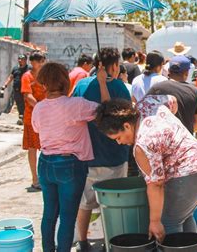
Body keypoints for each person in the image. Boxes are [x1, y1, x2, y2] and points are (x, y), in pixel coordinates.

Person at [95, 95, 197, 242]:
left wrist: (154, 221)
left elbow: (156, 184)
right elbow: (172, 100)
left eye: (118, 137)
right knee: (183, 216)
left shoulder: (142, 145)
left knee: (168, 222)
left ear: (127, 126)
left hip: (187, 174)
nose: (119, 143)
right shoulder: (149, 103)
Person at [32, 62, 110, 252]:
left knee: (49, 213)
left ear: (44, 84)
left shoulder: (39, 108)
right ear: (64, 82)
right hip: (70, 164)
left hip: (45, 163)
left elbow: (36, 129)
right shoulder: (76, 105)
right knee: (67, 216)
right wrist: (101, 83)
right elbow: (106, 110)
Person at [72, 47, 132, 252]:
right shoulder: (120, 87)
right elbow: (125, 117)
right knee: (115, 203)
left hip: (87, 155)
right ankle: (113, 241)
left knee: (85, 202)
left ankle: (82, 241)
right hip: (116, 155)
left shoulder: (81, 85)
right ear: (114, 65)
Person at [147, 55, 197, 134]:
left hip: (162, 140)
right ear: (186, 72)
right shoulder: (195, 91)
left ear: (169, 71)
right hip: (185, 140)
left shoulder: (156, 88)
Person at [20, 51, 46, 191]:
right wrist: (41, 108)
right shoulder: (27, 76)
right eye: (39, 61)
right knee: (32, 148)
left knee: (47, 148)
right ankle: (35, 179)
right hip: (31, 118)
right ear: (32, 62)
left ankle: (44, 177)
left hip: (46, 118)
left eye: (43, 60)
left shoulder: (45, 77)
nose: (41, 63)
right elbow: (28, 96)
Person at [1, 54, 30, 125]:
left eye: (22, 59)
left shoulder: (29, 68)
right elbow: (10, 78)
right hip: (17, 90)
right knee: (19, 104)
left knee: (27, 104)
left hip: (27, 90)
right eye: (19, 59)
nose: (20, 60)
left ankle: (27, 118)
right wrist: (4, 85)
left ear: (26, 60)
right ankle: (21, 117)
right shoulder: (15, 68)